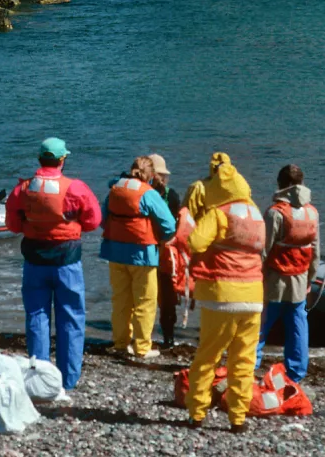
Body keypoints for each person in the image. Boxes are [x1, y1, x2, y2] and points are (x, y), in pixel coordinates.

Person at [4, 136, 102, 396]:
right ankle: (68, 380)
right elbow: (93, 221)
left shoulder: (23, 188)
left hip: (35, 261)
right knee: (70, 317)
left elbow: (12, 225)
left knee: (37, 316)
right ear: (62, 160)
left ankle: (39, 376)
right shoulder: (75, 188)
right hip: (66, 262)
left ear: (39, 159)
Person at [185, 156, 264, 433]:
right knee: (243, 360)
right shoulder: (256, 215)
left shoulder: (220, 213)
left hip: (222, 295)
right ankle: (238, 419)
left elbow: (195, 242)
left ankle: (197, 412)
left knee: (208, 355)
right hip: (254, 296)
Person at [100, 155, 177, 359]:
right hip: (142, 254)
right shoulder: (148, 193)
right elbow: (169, 225)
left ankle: (120, 343)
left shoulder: (115, 189)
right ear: (151, 174)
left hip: (114, 252)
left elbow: (102, 219)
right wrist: (161, 238)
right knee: (145, 301)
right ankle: (142, 347)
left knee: (121, 300)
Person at [256, 164, 320, 385]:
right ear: (302, 184)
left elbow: (264, 250)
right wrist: (310, 279)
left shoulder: (275, 213)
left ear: (280, 184)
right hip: (300, 281)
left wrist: (255, 276)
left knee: (259, 327)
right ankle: (296, 374)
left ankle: (249, 366)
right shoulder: (312, 212)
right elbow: (315, 252)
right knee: (298, 328)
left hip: (274, 281)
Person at [150, 153, 193, 348]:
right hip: (167, 253)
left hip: (146, 250)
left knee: (145, 297)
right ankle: (168, 338)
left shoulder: (139, 194)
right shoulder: (171, 195)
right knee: (167, 299)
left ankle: (143, 337)